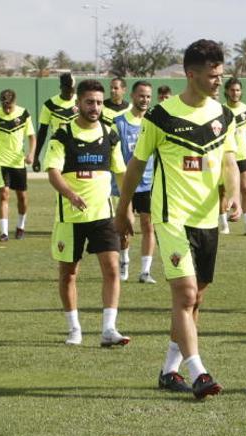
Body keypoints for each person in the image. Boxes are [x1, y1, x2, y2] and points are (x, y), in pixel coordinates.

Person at [114, 39, 241, 399]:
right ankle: (199, 372)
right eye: (212, 75)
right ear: (191, 74)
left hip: (207, 220)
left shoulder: (223, 116)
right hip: (171, 218)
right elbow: (137, 164)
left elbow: (229, 161)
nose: (219, 81)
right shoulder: (161, 116)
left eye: (221, 74)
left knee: (195, 299)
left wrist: (232, 193)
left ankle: (170, 370)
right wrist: (123, 210)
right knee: (185, 295)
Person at [46, 79, 130, 348]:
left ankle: (108, 329)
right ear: (78, 103)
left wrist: (125, 209)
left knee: (112, 269)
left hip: (103, 215)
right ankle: (74, 329)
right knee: (68, 274)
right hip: (70, 218)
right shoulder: (62, 135)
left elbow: (121, 173)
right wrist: (71, 194)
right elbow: (52, 172)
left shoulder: (110, 135)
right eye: (89, 102)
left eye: (98, 102)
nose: (95, 107)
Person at [113, 80, 156, 284]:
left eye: (148, 96)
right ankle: (124, 260)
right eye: (141, 95)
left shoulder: (154, 122)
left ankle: (145, 271)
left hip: (148, 183)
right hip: (127, 184)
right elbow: (115, 154)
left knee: (148, 225)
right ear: (132, 96)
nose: (145, 99)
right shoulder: (120, 122)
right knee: (125, 227)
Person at [0, 89, 36, 241]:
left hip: (18, 163)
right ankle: (4, 233)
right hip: (0, 162)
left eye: (9, 106)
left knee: (22, 197)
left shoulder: (24, 114)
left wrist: (31, 154)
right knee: (3, 194)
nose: (6, 109)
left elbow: (32, 137)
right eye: (4, 106)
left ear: (14, 102)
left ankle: (20, 226)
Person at [221, 77, 246, 235]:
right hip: (226, 156)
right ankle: (224, 224)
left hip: (243, 156)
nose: (235, 93)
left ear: (241, 91)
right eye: (232, 90)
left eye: (238, 90)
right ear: (226, 91)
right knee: (224, 191)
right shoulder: (221, 110)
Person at [33, 73, 77, 172]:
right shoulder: (50, 105)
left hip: (78, 148)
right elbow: (42, 132)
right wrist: (36, 156)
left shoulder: (81, 101)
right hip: (58, 148)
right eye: (67, 90)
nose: (70, 93)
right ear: (61, 87)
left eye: (72, 90)